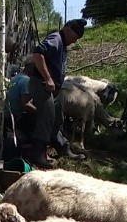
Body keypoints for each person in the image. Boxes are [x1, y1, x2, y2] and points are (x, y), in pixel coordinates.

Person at [26, 18, 87, 168]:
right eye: (75, 37)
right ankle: (38, 154)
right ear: (68, 29)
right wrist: (48, 79)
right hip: (41, 84)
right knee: (46, 117)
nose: (74, 41)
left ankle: (62, 147)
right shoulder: (56, 39)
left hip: (52, 89)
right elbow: (38, 54)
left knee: (58, 116)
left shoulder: (63, 44)